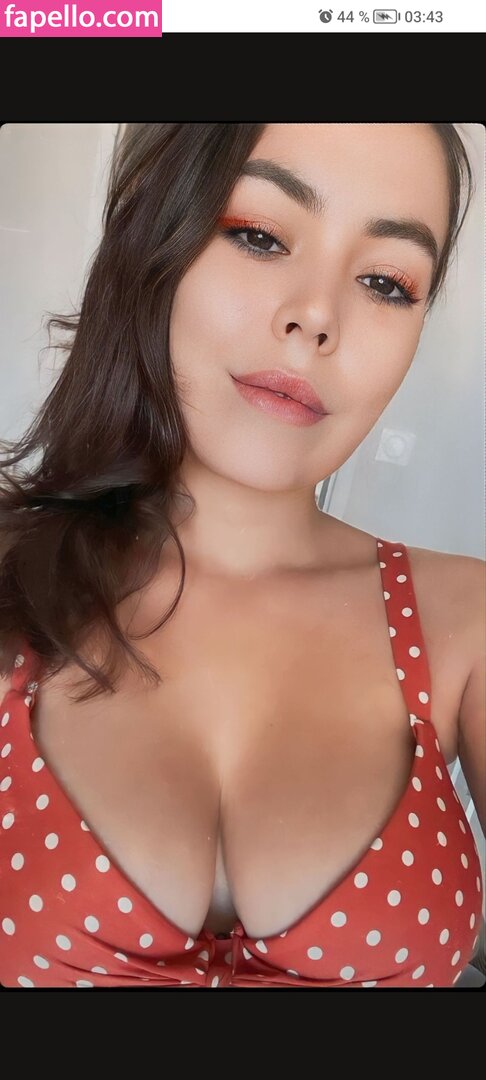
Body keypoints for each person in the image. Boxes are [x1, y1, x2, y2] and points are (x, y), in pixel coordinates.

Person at [0, 123, 483, 989]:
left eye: (386, 282)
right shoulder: (10, 573)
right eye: (259, 235)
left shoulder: (466, 622)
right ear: (156, 238)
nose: (317, 316)